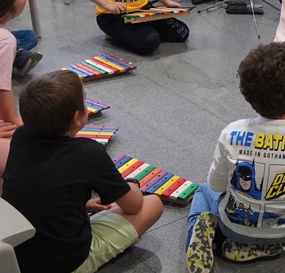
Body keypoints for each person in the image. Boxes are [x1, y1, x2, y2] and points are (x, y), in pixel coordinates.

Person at [185, 42, 285, 271]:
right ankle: (269, 246)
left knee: (203, 190)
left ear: (248, 97)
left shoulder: (232, 133)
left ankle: (201, 233)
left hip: (233, 227)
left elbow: (216, 184)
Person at [2, 70, 164, 273]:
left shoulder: (21, 136)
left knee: (109, 205)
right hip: (64, 264)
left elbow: (36, 187)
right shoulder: (89, 153)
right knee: (153, 204)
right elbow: (134, 205)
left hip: (16, 256)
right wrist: (132, 185)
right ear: (77, 117)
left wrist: (83, 204)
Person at [0, 0, 33, 187]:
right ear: (4, 13)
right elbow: (2, 89)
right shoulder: (4, 40)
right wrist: (14, 120)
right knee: (24, 158)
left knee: (27, 36)